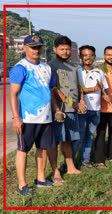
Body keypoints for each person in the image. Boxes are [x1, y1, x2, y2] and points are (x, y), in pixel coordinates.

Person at [9, 35, 61, 195]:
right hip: (27, 118)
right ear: (25, 48)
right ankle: (22, 185)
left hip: (45, 117)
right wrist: (16, 117)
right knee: (23, 150)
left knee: (43, 148)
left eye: (38, 47)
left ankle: (40, 179)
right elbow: (13, 94)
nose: (36, 50)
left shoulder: (46, 68)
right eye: (32, 47)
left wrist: (56, 109)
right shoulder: (20, 68)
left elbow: (50, 92)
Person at [47, 36, 87, 183]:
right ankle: (55, 171)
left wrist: (81, 100)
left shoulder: (73, 66)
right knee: (55, 141)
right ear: (55, 49)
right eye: (62, 49)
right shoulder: (51, 66)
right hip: (59, 110)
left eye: (67, 49)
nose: (65, 51)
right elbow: (54, 89)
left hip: (72, 109)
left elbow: (79, 86)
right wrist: (73, 103)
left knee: (68, 140)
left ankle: (70, 167)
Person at [72, 45, 109, 168]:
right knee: (79, 136)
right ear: (80, 57)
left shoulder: (99, 72)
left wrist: (106, 96)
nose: (88, 58)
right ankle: (70, 163)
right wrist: (94, 89)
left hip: (96, 109)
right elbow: (78, 90)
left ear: (94, 56)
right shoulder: (77, 72)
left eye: (91, 55)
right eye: (85, 55)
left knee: (89, 136)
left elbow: (104, 90)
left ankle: (85, 160)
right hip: (81, 109)